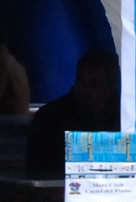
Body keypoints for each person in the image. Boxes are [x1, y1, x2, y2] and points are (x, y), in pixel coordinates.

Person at [26, 49, 121, 180]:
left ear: (110, 88)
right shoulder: (51, 118)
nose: (85, 90)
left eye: (94, 84)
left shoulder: (125, 117)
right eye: (81, 82)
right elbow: (40, 170)